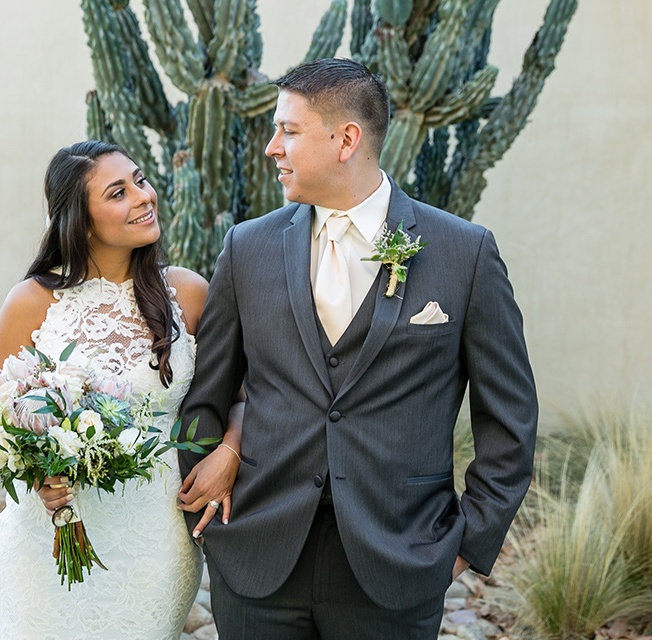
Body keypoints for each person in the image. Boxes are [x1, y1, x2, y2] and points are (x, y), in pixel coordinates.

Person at [177, 58, 538, 639]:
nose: (273, 148)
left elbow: (510, 417)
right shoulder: (247, 249)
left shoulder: (463, 253)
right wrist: (206, 493)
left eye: (288, 131)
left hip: (397, 563)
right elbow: (205, 393)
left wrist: (466, 542)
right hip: (258, 558)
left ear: (346, 139)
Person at [0, 140, 241, 640]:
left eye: (141, 181)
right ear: (81, 222)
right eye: (118, 192)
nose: (143, 197)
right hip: (48, 539)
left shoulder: (187, 293)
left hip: (154, 539)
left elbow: (240, 391)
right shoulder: (31, 302)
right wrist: (39, 472)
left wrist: (229, 451)